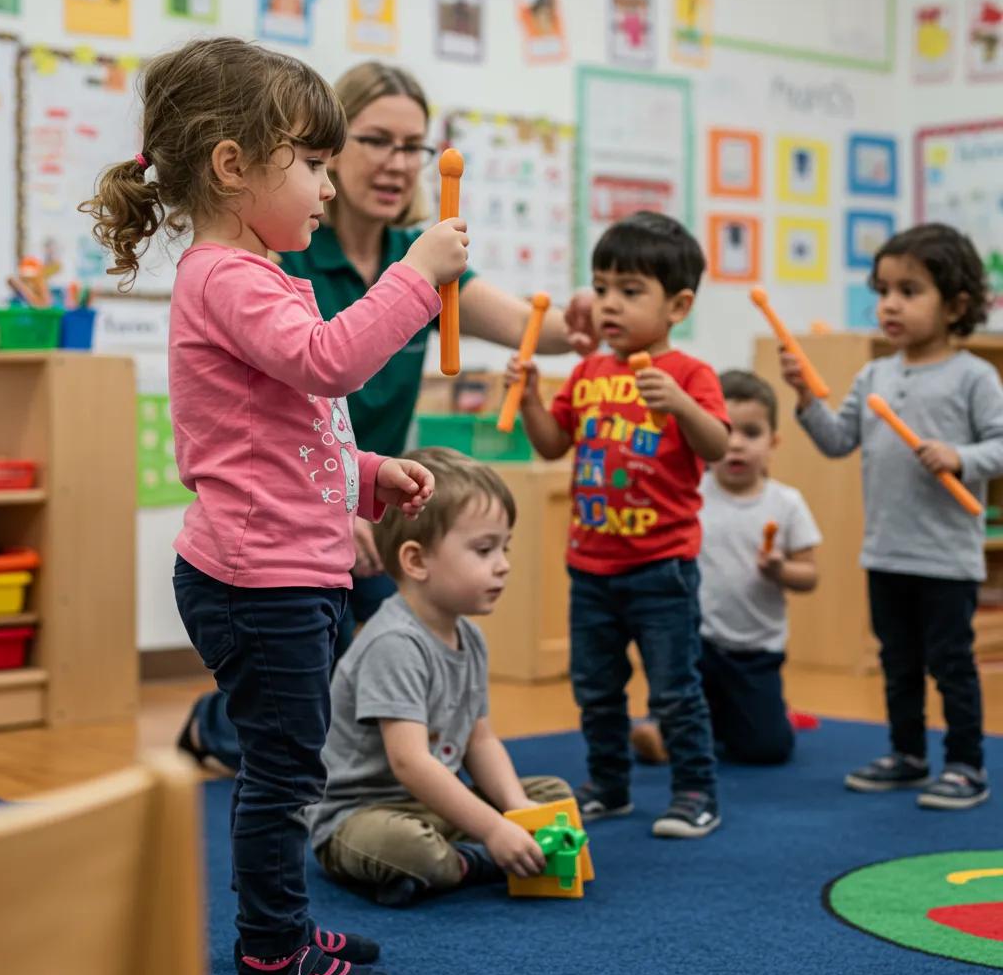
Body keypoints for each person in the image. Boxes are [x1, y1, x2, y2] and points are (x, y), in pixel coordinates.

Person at [83, 37, 470, 975]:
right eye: (310, 164)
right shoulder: (228, 276)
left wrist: (372, 474)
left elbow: (291, 427)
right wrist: (417, 276)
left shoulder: (251, 271)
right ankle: (270, 952)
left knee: (286, 760)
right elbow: (333, 364)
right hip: (260, 581)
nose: (327, 189)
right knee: (284, 772)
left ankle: (280, 919)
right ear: (232, 165)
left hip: (284, 569)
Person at [177, 59, 595, 777]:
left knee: (405, 625)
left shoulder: (414, 254)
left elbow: (538, 327)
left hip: (372, 493)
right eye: (376, 140)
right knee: (297, 696)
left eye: (414, 147)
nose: (397, 163)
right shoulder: (287, 256)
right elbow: (317, 368)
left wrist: (584, 320)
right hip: (295, 509)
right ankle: (217, 724)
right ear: (332, 149)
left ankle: (403, 755)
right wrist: (337, 511)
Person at [506, 210, 729, 838]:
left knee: (674, 691)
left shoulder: (690, 374)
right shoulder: (586, 373)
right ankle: (609, 784)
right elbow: (553, 446)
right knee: (596, 689)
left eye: (631, 292)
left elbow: (716, 447)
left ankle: (695, 791)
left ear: (677, 304)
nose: (609, 304)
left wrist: (683, 405)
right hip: (592, 566)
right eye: (602, 288)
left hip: (663, 569)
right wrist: (526, 398)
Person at [781, 222, 1003, 810]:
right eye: (883, 291)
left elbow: (1002, 446)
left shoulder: (974, 377)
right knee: (897, 662)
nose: (890, 305)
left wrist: (961, 455)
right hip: (886, 550)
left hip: (946, 556)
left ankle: (965, 764)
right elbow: (835, 441)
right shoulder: (874, 374)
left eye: (909, 291)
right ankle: (907, 755)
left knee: (951, 665)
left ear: (956, 304)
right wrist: (806, 398)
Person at [305, 447, 572, 906]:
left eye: (504, 548)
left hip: (433, 804)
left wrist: (517, 808)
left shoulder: (470, 637)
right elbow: (410, 763)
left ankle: (461, 858)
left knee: (553, 796)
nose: (503, 564)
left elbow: (479, 740)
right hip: (364, 814)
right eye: (484, 549)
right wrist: (494, 829)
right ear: (416, 561)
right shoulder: (394, 643)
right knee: (413, 850)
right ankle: (473, 861)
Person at [631, 370, 820, 766]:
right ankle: (665, 723)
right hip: (696, 642)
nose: (735, 445)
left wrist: (780, 570)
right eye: (726, 431)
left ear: (774, 443)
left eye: (751, 433)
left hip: (755, 653)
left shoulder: (787, 503)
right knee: (680, 694)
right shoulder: (690, 494)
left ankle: (735, 718)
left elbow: (810, 575)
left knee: (768, 750)